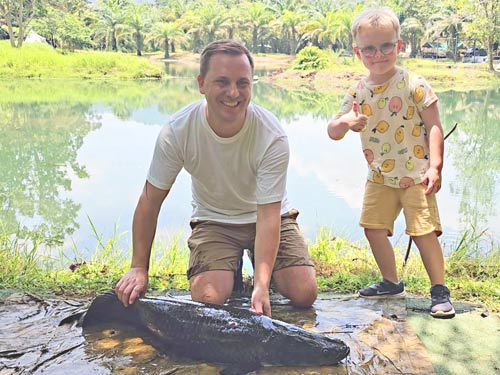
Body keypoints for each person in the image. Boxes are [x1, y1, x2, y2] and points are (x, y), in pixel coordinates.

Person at [115, 40, 317, 317]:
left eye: (242, 83)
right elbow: (150, 201)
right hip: (214, 221)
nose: (233, 93)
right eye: (222, 82)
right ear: (201, 83)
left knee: (305, 293)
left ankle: (259, 264)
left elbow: (269, 215)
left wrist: (261, 284)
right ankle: (228, 267)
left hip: (270, 220)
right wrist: (139, 267)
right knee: (208, 299)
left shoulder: (272, 135)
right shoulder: (177, 131)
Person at [327, 8, 455, 318]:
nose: (379, 54)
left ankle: (439, 290)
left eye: (386, 46)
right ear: (358, 52)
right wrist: (346, 121)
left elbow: (434, 126)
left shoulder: (414, 82)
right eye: (369, 48)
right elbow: (332, 132)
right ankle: (390, 281)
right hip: (379, 177)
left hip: (416, 175)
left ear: (398, 46)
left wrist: (435, 165)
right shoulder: (357, 91)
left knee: (423, 232)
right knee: (373, 228)